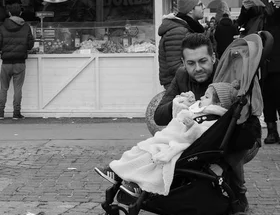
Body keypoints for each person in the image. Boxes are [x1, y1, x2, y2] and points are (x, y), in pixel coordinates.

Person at [154, 33, 259, 212]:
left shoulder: (228, 74)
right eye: (191, 63)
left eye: (203, 61)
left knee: (232, 141)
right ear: (183, 62)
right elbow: (159, 115)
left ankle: (238, 191)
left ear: (213, 57)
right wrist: (177, 104)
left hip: (231, 137)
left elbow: (249, 119)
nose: (197, 68)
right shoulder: (181, 75)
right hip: (195, 134)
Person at [95, 81, 240, 197]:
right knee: (139, 149)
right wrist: (183, 104)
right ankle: (117, 171)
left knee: (148, 158)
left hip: (179, 145)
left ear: (219, 105)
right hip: (168, 138)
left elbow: (203, 136)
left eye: (207, 97)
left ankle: (137, 185)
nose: (202, 98)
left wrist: (192, 127)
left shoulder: (214, 120)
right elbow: (177, 119)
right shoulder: (201, 111)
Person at [235, 0, 280, 144]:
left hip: (278, 43)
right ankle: (271, 129)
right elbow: (241, 22)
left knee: (278, 86)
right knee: (266, 88)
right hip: (260, 44)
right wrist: (245, 9)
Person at [0, 3, 35, 120]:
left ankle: (0, 112)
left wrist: (3, 49)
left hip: (6, 63)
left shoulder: (2, 27)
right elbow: (30, 44)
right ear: (21, 13)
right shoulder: (26, 27)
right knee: (18, 89)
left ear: (9, 13)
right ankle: (16, 113)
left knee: (3, 88)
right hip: (20, 63)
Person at [157, 0, 205, 90]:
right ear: (191, 10)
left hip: (184, 82)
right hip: (178, 84)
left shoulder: (186, 28)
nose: (203, 7)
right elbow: (175, 66)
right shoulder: (178, 31)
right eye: (200, 4)